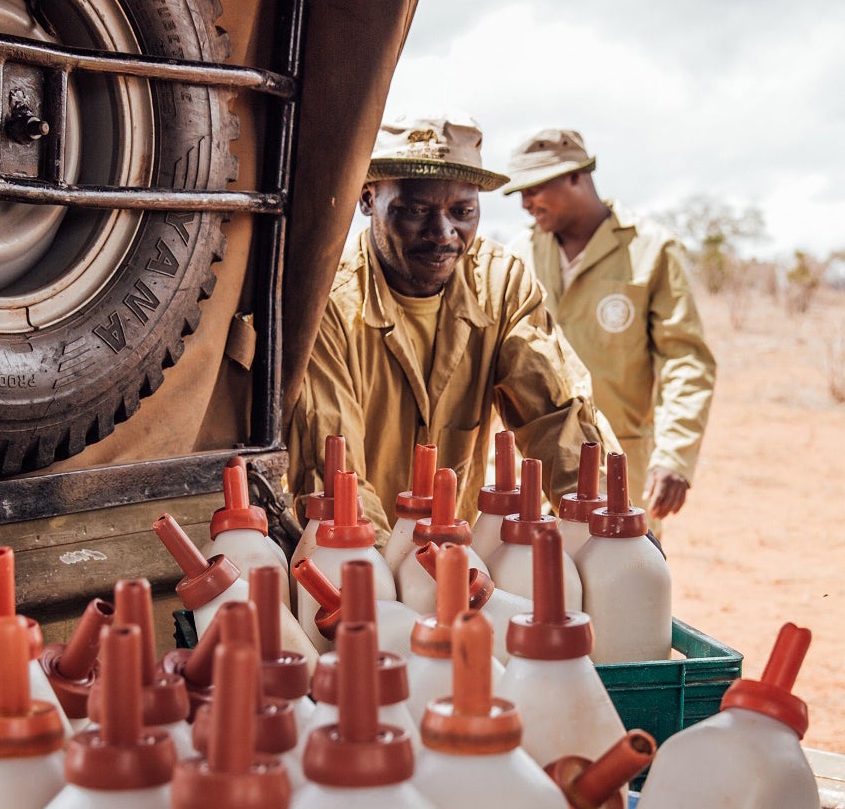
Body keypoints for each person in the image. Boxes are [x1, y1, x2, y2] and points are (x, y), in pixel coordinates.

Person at [287, 114, 609, 535]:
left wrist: (601, 523)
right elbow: (333, 478)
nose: (443, 233)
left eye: (462, 211)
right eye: (417, 210)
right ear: (368, 199)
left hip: (455, 555)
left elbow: (559, 419)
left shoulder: (500, 285)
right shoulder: (325, 304)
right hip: (352, 562)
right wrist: (393, 577)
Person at [504, 129, 716, 525]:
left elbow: (684, 360)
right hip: (531, 471)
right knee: (528, 580)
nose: (525, 203)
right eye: (519, 192)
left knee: (622, 579)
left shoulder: (651, 250)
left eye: (534, 188)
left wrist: (674, 455)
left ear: (576, 175)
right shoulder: (518, 255)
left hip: (620, 467)